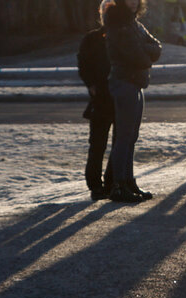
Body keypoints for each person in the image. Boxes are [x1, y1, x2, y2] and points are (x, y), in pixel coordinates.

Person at [105, 0, 161, 202]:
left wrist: (145, 51)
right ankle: (118, 185)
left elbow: (157, 47)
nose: (133, 2)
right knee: (124, 137)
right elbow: (138, 56)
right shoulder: (118, 23)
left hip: (137, 83)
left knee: (131, 137)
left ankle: (128, 181)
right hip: (124, 83)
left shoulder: (135, 24)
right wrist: (146, 56)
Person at [78, 0, 116, 201]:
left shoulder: (121, 35)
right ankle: (95, 185)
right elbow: (83, 63)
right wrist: (91, 84)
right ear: (100, 14)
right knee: (97, 145)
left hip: (118, 95)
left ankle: (111, 182)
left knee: (119, 143)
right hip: (101, 97)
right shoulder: (92, 38)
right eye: (105, 11)